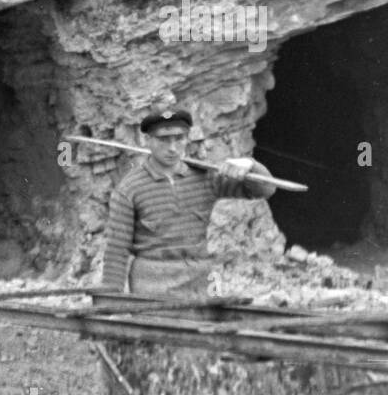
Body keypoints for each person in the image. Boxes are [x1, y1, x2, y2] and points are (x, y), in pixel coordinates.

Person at [102, 109, 277, 298]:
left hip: (201, 281)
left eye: (179, 138)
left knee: (211, 326)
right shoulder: (129, 189)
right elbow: (116, 251)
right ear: (148, 141)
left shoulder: (205, 177)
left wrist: (250, 165)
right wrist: (109, 303)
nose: (173, 148)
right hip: (154, 285)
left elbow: (265, 190)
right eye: (163, 140)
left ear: (187, 138)